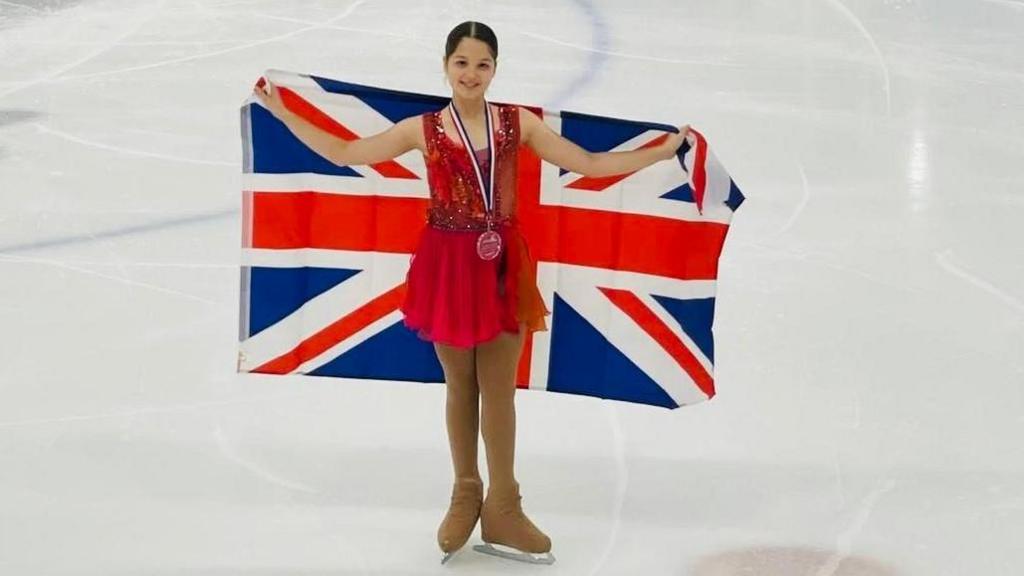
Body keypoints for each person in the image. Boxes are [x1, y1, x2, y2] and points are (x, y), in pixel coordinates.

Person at [253, 20, 689, 565]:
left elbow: (591, 164)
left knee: (498, 387)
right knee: (461, 385)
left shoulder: (517, 124)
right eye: (462, 63)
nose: (471, 74)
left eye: (482, 64)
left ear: (495, 70)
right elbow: (346, 153)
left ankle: (504, 504)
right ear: (445, 65)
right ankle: (466, 491)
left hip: (501, 265)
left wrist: (661, 152)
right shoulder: (424, 127)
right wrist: (282, 112)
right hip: (447, 266)